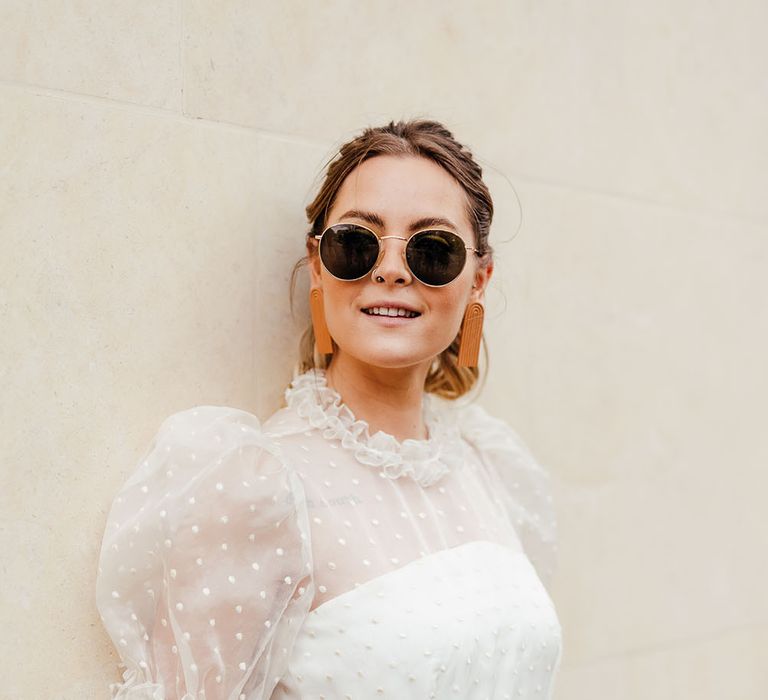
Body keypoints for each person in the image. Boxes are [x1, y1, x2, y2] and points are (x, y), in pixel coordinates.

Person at [95, 119, 563, 699]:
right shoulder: (254, 487)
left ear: (479, 280)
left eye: (433, 250)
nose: (391, 271)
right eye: (357, 244)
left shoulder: (493, 468)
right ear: (318, 265)